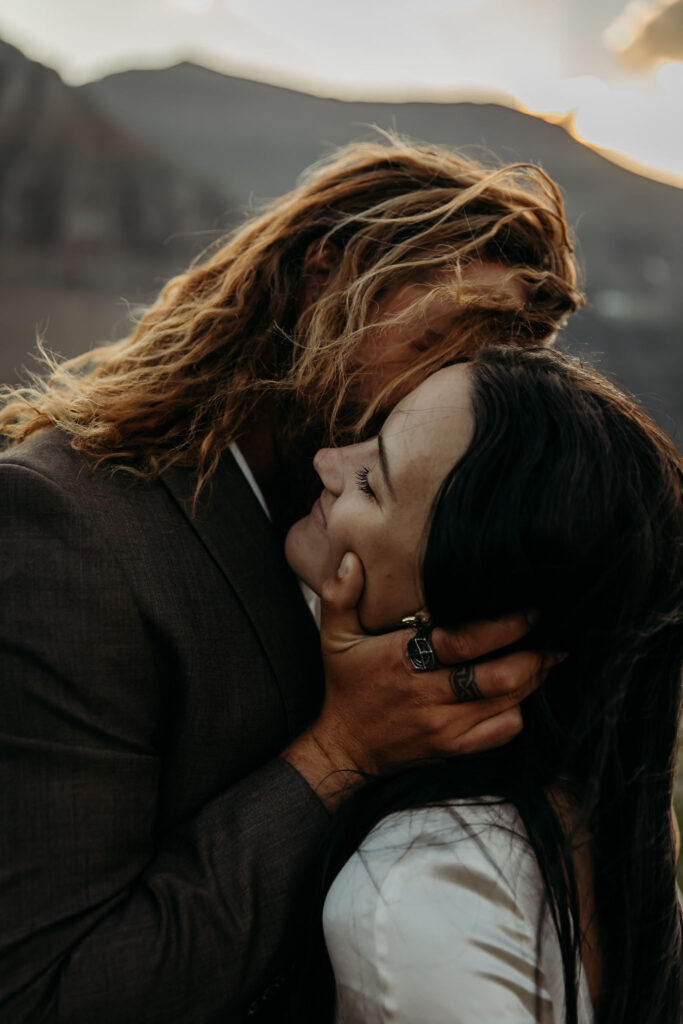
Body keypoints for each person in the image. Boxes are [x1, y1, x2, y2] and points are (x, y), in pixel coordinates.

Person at [0, 137, 582, 1022]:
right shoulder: (65, 527)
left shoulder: (381, 533)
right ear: (325, 274)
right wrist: (341, 754)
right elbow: (52, 991)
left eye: (487, 366)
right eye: (439, 340)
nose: (449, 392)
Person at [284, 345, 683, 1024]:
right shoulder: (596, 827)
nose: (327, 461)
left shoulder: (409, 905)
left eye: (371, 482)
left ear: (457, 623)